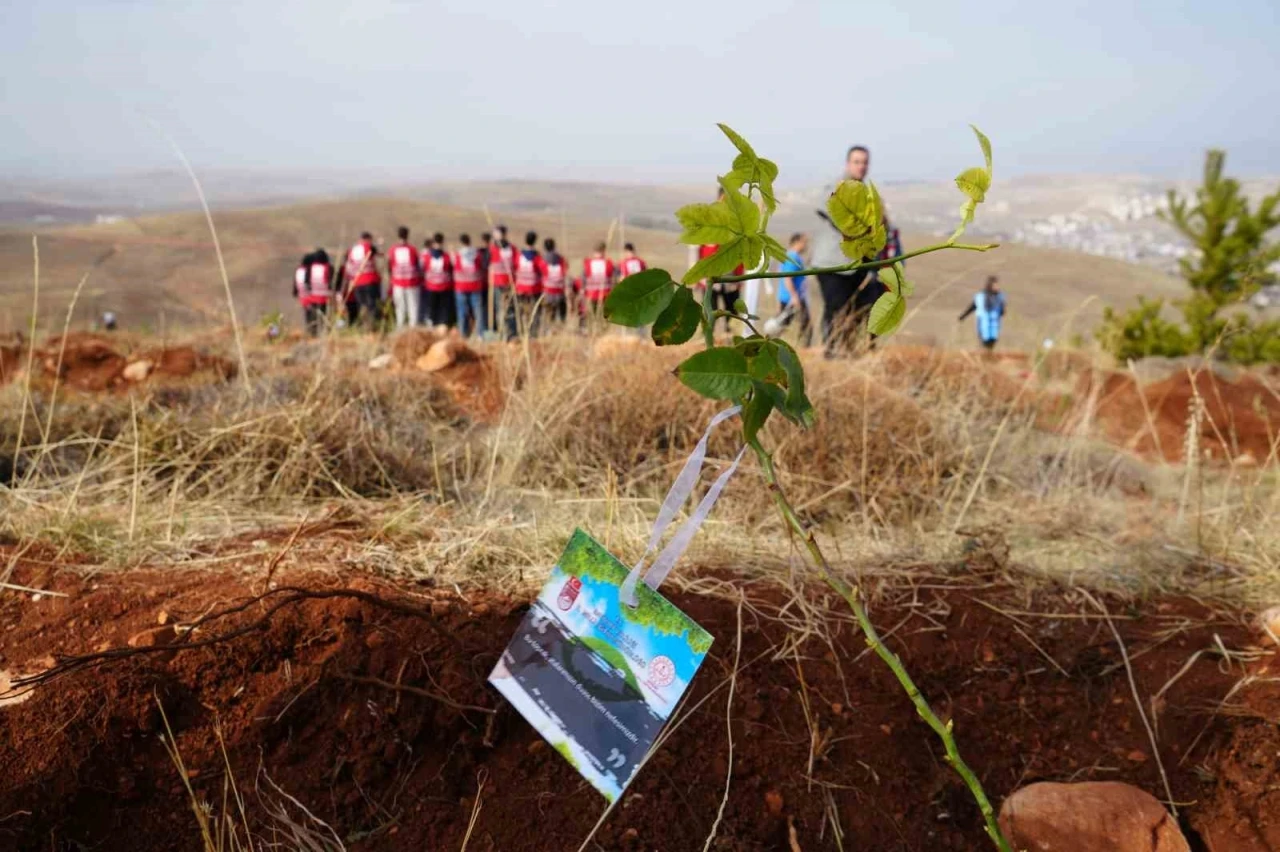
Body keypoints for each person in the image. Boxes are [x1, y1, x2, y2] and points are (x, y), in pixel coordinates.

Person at [811, 145, 885, 357]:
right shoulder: (836, 187)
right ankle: (831, 352)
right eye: (857, 161)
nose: (861, 166)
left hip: (859, 264)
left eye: (865, 162)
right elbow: (837, 217)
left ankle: (849, 350)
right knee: (836, 309)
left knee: (862, 309)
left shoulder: (869, 194)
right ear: (848, 163)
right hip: (832, 263)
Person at [692, 186, 746, 333]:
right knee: (709, 313)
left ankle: (732, 342)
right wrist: (697, 276)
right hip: (709, 276)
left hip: (730, 277)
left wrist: (740, 277)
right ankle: (707, 341)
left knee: (733, 314)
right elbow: (697, 249)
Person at [771, 233, 813, 346]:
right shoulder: (792, 257)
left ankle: (801, 346)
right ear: (797, 242)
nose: (806, 245)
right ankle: (803, 347)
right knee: (786, 324)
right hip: (792, 298)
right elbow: (787, 278)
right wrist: (794, 297)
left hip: (790, 296)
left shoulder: (789, 256)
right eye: (804, 242)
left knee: (786, 323)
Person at [340, 231, 383, 330]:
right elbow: (379, 254)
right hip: (370, 281)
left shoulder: (352, 250)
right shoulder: (368, 246)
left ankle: (364, 326)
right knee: (372, 305)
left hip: (357, 282)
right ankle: (374, 326)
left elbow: (349, 268)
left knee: (361, 306)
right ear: (368, 239)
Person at [958, 276, 1007, 350]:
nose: (997, 287)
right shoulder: (981, 296)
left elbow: (1002, 309)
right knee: (984, 341)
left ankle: (988, 356)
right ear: (990, 285)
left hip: (994, 323)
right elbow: (973, 306)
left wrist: (1002, 311)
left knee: (992, 341)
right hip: (983, 322)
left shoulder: (1000, 296)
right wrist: (963, 316)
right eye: (995, 285)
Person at [387, 226, 421, 330]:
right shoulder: (412, 249)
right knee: (413, 308)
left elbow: (389, 266)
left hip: (398, 283)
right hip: (412, 283)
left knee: (400, 309)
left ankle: (400, 329)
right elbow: (418, 265)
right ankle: (413, 329)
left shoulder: (392, 250)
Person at [453, 233, 486, 338]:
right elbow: (482, 266)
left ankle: (463, 334)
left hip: (461, 286)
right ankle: (480, 335)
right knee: (478, 311)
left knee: (462, 312)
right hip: (475, 285)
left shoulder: (458, 254)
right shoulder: (477, 254)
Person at [488, 225, 518, 338]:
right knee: (499, 309)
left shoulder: (512, 248)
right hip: (496, 283)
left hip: (509, 283)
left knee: (510, 309)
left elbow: (516, 264)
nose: (495, 236)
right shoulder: (492, 249)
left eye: (497, 233)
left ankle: (511, 333)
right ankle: (501, 332)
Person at [512, 230, 543, 337]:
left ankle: (521, 331)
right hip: (534, 288)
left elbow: (514, 267)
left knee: (521, 311)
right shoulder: (537, 257)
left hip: (521, 287)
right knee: (534, 311)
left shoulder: (519, 255)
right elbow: (542, 270)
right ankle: (533, 333)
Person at [422, 233, 455, 329]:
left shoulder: (429, 256)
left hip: (437, 287)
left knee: (436, 308)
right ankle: (438, 324)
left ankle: (437, 324)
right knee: (438, 308)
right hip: (437, 286)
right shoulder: (445, 256)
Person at [581, 242, 616, 329]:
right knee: (604, 319)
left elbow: (583, 280)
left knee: (591, 319)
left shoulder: (587, 263)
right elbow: (614, 279)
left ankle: (592, 334)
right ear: (604, 250)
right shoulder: (609, 263)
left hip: (591, 295)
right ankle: (603, 336)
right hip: (605, 295)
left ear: (594, 251)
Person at [301, 248, 335, 336]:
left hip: (313, 299)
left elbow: (306, 284)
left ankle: (313, 334)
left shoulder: (310, 268)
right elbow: (333, 283)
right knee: (326, 319)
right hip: (326, 299)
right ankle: (327, 334)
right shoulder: (329, 268)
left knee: (314, 319)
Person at [539, 237, 569, 324]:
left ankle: (551, 330)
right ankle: (562, 328)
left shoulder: (542, 260)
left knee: (550, 316)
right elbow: (565, 270)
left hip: (547, 292)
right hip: (560, 292)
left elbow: (540, 274)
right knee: (562, 314)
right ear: (554, 246)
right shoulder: (561, 259)